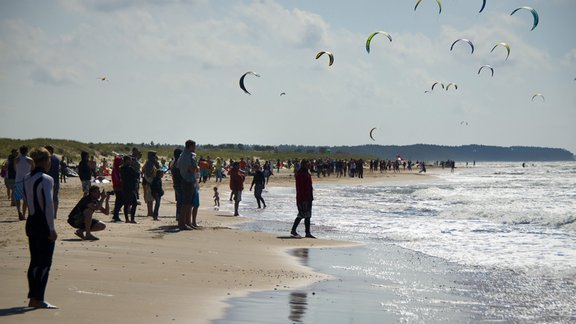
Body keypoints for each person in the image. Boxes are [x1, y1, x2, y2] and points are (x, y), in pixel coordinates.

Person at [24, 147, 57, 309]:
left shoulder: (26, 178)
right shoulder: (46, 179)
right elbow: (48, 206)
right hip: (43, 224)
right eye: (49, 159)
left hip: (30, 222)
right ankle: (39, 299)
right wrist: (51, 228)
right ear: (45, 161)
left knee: (35, 262)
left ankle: (33, 297)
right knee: (44, 263)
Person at [177, 140, 199, 230]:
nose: (195, 148)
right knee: (186, 203)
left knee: (188, 203)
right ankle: (182, 223)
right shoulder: (187, 156)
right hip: (188, 181)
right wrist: (197, 167)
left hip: (187, 180)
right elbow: (192, 169)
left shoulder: (183, 155)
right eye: (194, 146)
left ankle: (186, 222)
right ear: (190, 146)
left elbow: (178, 166)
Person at [290, 159, 315, 238]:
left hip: (308, 197)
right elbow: (300, 187)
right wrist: (304, 197)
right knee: (301, 215)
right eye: (308, 164)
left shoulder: (307, 173)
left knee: (307, 215)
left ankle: (307, 232)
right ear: (304, 165)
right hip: (303, 198)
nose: (309, 165)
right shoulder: (301, 174)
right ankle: (294, 230)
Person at [15, 145, 34, 220]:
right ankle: (23, 214)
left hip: (18, 180)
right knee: (25, 198)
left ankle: (19, 211)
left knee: (17, 198)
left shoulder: (16, 159)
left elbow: (15, 169)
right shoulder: (30, 160)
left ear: (20, 151)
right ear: (27, 151)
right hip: (27, 180)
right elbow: (33, 169)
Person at [120, 156, 139, 223]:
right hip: (130, 188)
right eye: (129, 160)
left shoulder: (122, 168)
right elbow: (137, 175)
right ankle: (132, 219)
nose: (130, 161)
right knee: (134, 203)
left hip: (125, 187)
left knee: (127, 203)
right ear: (126, 161)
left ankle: (127, 219)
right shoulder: (129, 168)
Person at [44, 146, 60, 219]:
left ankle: (48, 213)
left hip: (48, 180)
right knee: (55, 197)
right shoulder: (56, 159)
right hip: (56, 180)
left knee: (47, 197)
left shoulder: (48, 159)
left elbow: (47, 170)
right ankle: (55, 214)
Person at [142, 151, 158, 217]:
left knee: (151, 198)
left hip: (151, 182)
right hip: (149, 182)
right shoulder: (149, 164)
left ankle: (150, 211)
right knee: (149, 198)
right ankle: (150, 212)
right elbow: (148, 175)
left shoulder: (151, 163)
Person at [170, 149, 183, 222]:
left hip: (176, 183)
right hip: (179, 184)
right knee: (181, 201)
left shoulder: (173, 162)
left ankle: (178, 215)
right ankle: (179, 215)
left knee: (179, 201)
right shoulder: (177, 163)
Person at [110, 155, 124, 222]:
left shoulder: (118, 169)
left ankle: (116, 214)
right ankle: (116, 214)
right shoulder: (115, 170)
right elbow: (116, 180)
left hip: (119, 187)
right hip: (117, 188)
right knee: (120, 201)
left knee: (119, 201)